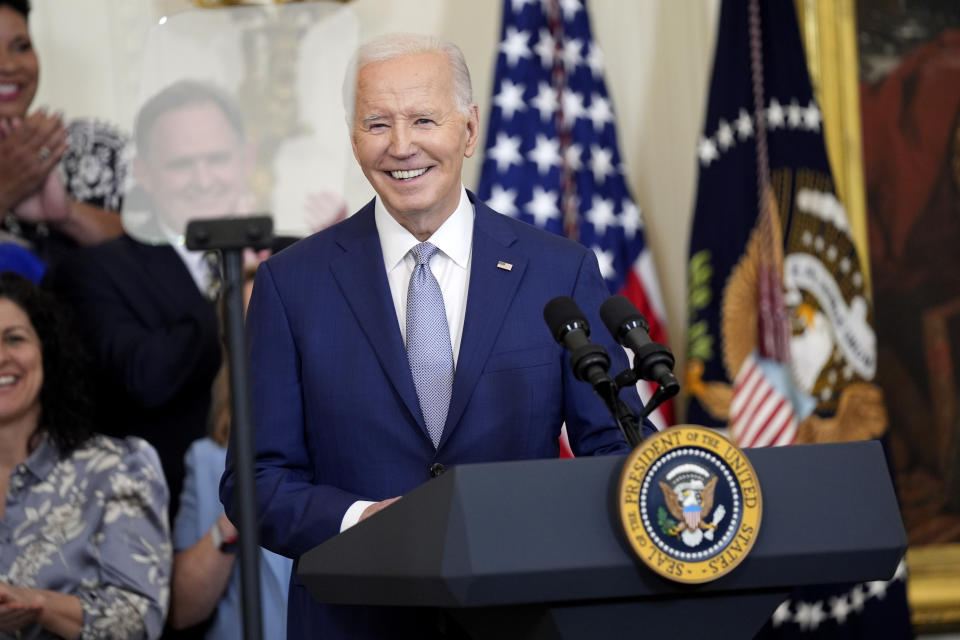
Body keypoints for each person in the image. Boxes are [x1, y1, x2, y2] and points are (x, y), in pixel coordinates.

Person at [220, 33, 655, 639]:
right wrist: (366, 519)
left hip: (520, 617)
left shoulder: (557, 272)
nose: (402, 146)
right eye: (377, 124)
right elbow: (255, 482)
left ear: (469, 130)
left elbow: (616, 451)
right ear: (353, 139)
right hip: (356, 619)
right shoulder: (290, 285)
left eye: (424, 119)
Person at [45, 79, 254, 522]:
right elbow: (144, 380)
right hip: (157, 532)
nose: (203, 179)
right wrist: (235, 296)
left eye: (216, 159)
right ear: (143, 173)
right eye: (182, 164)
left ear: (245, 159)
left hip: (301, 530)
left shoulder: (297, 256)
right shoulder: (95, 271)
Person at [0, 271, 170, 640]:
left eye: (14, 339)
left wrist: (35, 604)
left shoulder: (116, 468)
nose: (1, 357)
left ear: (48, 351)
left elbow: (137, 617)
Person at [169, 269, 292, 639]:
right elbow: (182, 609)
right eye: (249, 329)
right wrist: (233, 517)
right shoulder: (208, 460)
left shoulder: (353, 441)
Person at [0, 0, 125, 272]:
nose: (8, 66)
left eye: (21, 46)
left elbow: (166, 261)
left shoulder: (98, 148)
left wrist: (69, 215)